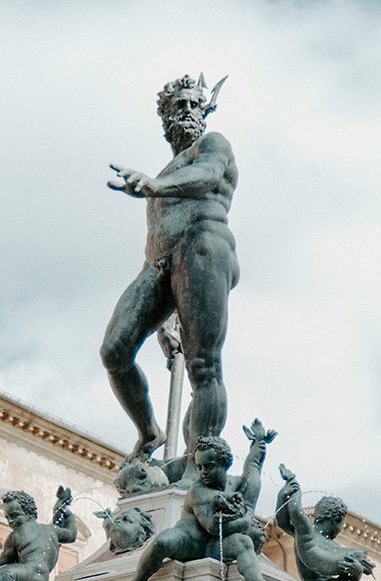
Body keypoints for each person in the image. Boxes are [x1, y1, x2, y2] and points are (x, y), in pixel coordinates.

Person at [102, 74, 238, 463]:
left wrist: (153, 187)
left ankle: (202, 460)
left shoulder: (213, 146)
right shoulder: (161, 174)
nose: (188, 112)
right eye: (179, 106)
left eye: (195, 105)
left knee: (203, 364)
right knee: (115, 351)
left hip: (203, 247)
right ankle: (149, 433)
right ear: (165, 117)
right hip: (160, 266)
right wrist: (167, 316)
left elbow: (206, 177)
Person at [118, 420, 277, 581]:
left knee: (243, 542)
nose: (203, 473)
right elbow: (213, 528)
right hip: (190, 540)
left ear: (225, 464)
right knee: (161, 541)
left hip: (213, 546)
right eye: (199, 467)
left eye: (209, 466)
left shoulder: (235, 484)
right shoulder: (198, 490)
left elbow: (253, 471)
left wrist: (259, 444)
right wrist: (245, 522)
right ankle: (138, 580)